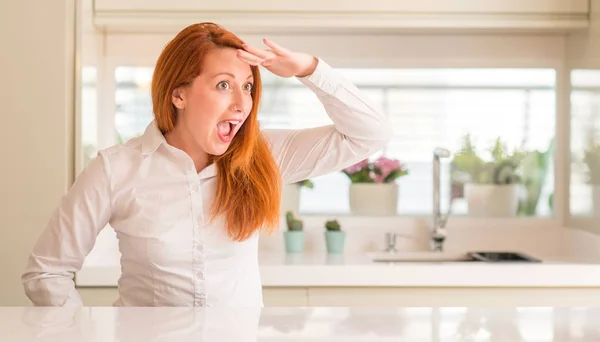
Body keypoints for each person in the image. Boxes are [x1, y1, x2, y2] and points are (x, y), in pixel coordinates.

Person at [21, 22, 393, 307]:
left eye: (247, 86)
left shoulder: (263, 155)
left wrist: (309, 68)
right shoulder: (116, 169)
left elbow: (369, 134)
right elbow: (47, 271)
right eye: (223, 85)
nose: (241, 104)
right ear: (178, 94)